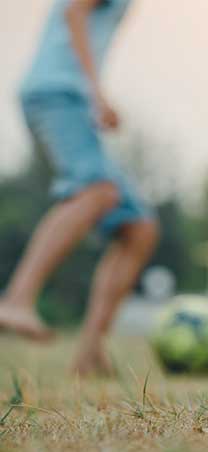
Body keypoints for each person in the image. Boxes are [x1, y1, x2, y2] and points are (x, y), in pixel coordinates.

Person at [0, 0, 158, 376]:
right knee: (97, 191)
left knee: (139, 228)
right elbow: (74, 10)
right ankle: (17, 299)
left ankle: (90, 352)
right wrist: (96, 92)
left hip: (67, 96)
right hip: (60, 94)